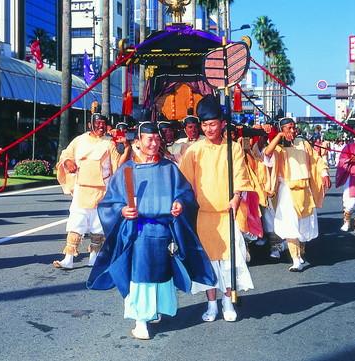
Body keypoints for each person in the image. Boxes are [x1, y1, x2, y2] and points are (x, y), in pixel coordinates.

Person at [87, 122, 216, 340]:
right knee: (141, 274)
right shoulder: (126, 170)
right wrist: (122, 210)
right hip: (139, 232)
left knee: (161, 272)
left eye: (157, 139)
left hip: (164, 231)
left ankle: (153, 310)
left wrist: (180, 204)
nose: (155, 143)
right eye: (150, 139)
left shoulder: (169, 168)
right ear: (138, 142)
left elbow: (185, 194)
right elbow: (109, 203)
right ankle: (140, 320)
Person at [179, 95, 254, 323]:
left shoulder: (233, 149)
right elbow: (183, 182)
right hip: (203, 215)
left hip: (226, 214)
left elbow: (240, 177)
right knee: (208, 261)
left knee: (228, 261)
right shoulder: (194, 150)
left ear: (222, 123)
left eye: (212, 124)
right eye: (204, 124)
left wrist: (237, 196)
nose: (208, 128)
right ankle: (211, 304)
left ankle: (227, 301)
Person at [53, 113, 130, 269]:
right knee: (76, 221)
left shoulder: (110, 143)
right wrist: (68, 162)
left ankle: (94, 257)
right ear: (90, 124)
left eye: (103, 123)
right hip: (82, 188)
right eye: (98, 123)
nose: (101, 126)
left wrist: (126, 147)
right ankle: (68, 258)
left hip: (102, 188)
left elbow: (118, 164)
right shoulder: (79, 140)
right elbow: (66, 154)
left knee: (98, 224)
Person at [263, 117, 330, 271]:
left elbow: (316, 159)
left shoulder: (303, 143)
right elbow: (266, 155)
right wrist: (279, 137)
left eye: (293, 127)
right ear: (282, 129)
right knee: (290, 225)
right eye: (288, 128)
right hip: (287, 190)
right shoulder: (277, 147)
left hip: (305, 189)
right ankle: (295, 259)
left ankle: (300, 254)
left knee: (304, 225)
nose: (292, 131)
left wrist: (325, 173)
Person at [335, 137, 355, 233]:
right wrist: (350, 160)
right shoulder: (348, 146)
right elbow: (342, 160)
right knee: (350, 202)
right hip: (352, 176)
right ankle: (346, 222)